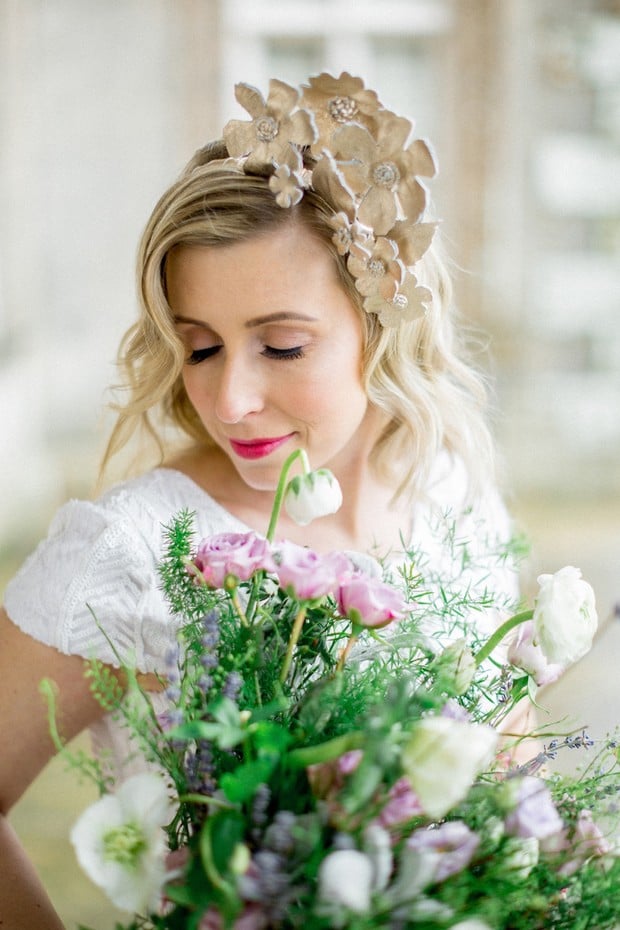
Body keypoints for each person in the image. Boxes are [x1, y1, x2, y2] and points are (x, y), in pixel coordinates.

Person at [0, 72, 518, 928]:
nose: (231, 398)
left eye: (281, 346)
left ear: (381, 320)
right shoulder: (130, 548)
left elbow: (511, 754)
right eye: (199, 349)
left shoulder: (450, 488)